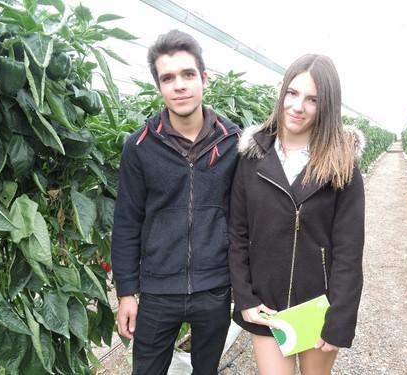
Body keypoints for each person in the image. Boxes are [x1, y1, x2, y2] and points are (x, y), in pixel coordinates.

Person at [111, 29, 241, 375]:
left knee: (206, 370)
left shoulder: (233, 142)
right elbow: (126, 221)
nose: (179, 85)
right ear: (159, 87)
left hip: (214, 287)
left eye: (187, 74)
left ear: (204, 78)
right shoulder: (139, 146)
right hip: (157, 291)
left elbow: (243, 216)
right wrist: (126, 292)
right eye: (168, 78)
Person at [228, 54, 365, 375]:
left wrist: (340, 317)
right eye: (292, 93)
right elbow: (237, 233)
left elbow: (348, 250)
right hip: (268, 304)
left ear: (327, 105)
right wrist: (245, 297)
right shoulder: (251, 158)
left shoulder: (341, 165)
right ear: (281, 92)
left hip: (316, 307)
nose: (298, 106)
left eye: (312, 99)